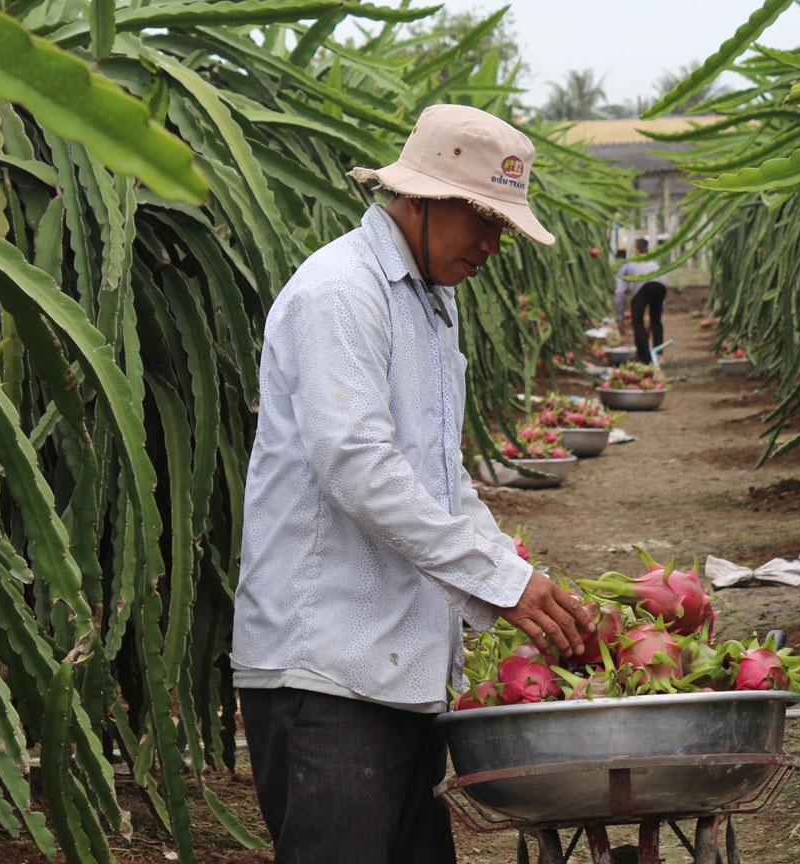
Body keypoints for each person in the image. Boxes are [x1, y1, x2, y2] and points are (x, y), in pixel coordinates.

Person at [231, 104, 593, 864]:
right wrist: (496, 580)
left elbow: (438, 473)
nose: (494, 244)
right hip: (327, 671)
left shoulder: (431, 303)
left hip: (397, 673)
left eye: (504, 226)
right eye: (483, 221)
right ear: (420, 199)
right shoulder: (340, 292)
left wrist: (518, 577)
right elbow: (356, 463)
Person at [614, 238, 667, 364]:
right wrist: (659, 311)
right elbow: (661, 290)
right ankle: (658, 355)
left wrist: (619, 317)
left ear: (635, 250)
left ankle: (644, 357)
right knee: (656, 320)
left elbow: (620, 292)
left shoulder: (628, 265)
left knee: (637, 322)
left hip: (642, 286)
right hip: (661, 285)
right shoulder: (654, 263)